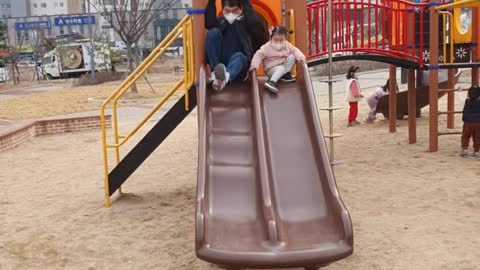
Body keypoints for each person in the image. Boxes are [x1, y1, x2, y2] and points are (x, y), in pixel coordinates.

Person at [205, 0, 268, 91]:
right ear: (222, 10)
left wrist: (245, 2)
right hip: (221, 63)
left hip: (238, 66)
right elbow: (209, 24)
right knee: (213, 33)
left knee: (239, 56)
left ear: (240, 9)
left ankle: (224, 78)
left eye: (234, 11)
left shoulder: (246, 23)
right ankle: (216, 73)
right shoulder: (221, 21)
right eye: (227, 11)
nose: (230, 14)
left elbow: (255, 24)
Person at [249, 26, 306, 94]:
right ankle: (272, 82)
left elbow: (295, 50)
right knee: (281, 68)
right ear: (271, 38)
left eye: (281, 40)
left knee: (292, 56)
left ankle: (284, 75)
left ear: (285, 39)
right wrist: (254, 66)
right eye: (276, 40)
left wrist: (301, 58)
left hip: (283, 67)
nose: (278, 42)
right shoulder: (267, 47)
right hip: (271, 70)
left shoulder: (287, 45)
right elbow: (258, 55)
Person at [461, 86, 480, 158]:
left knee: (465, 136)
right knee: (478, 137)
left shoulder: (466, 101)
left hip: (467, 122)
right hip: (478, 122)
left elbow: (460, 99)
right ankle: (477, 151)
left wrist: (459, 92)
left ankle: (465, 149)